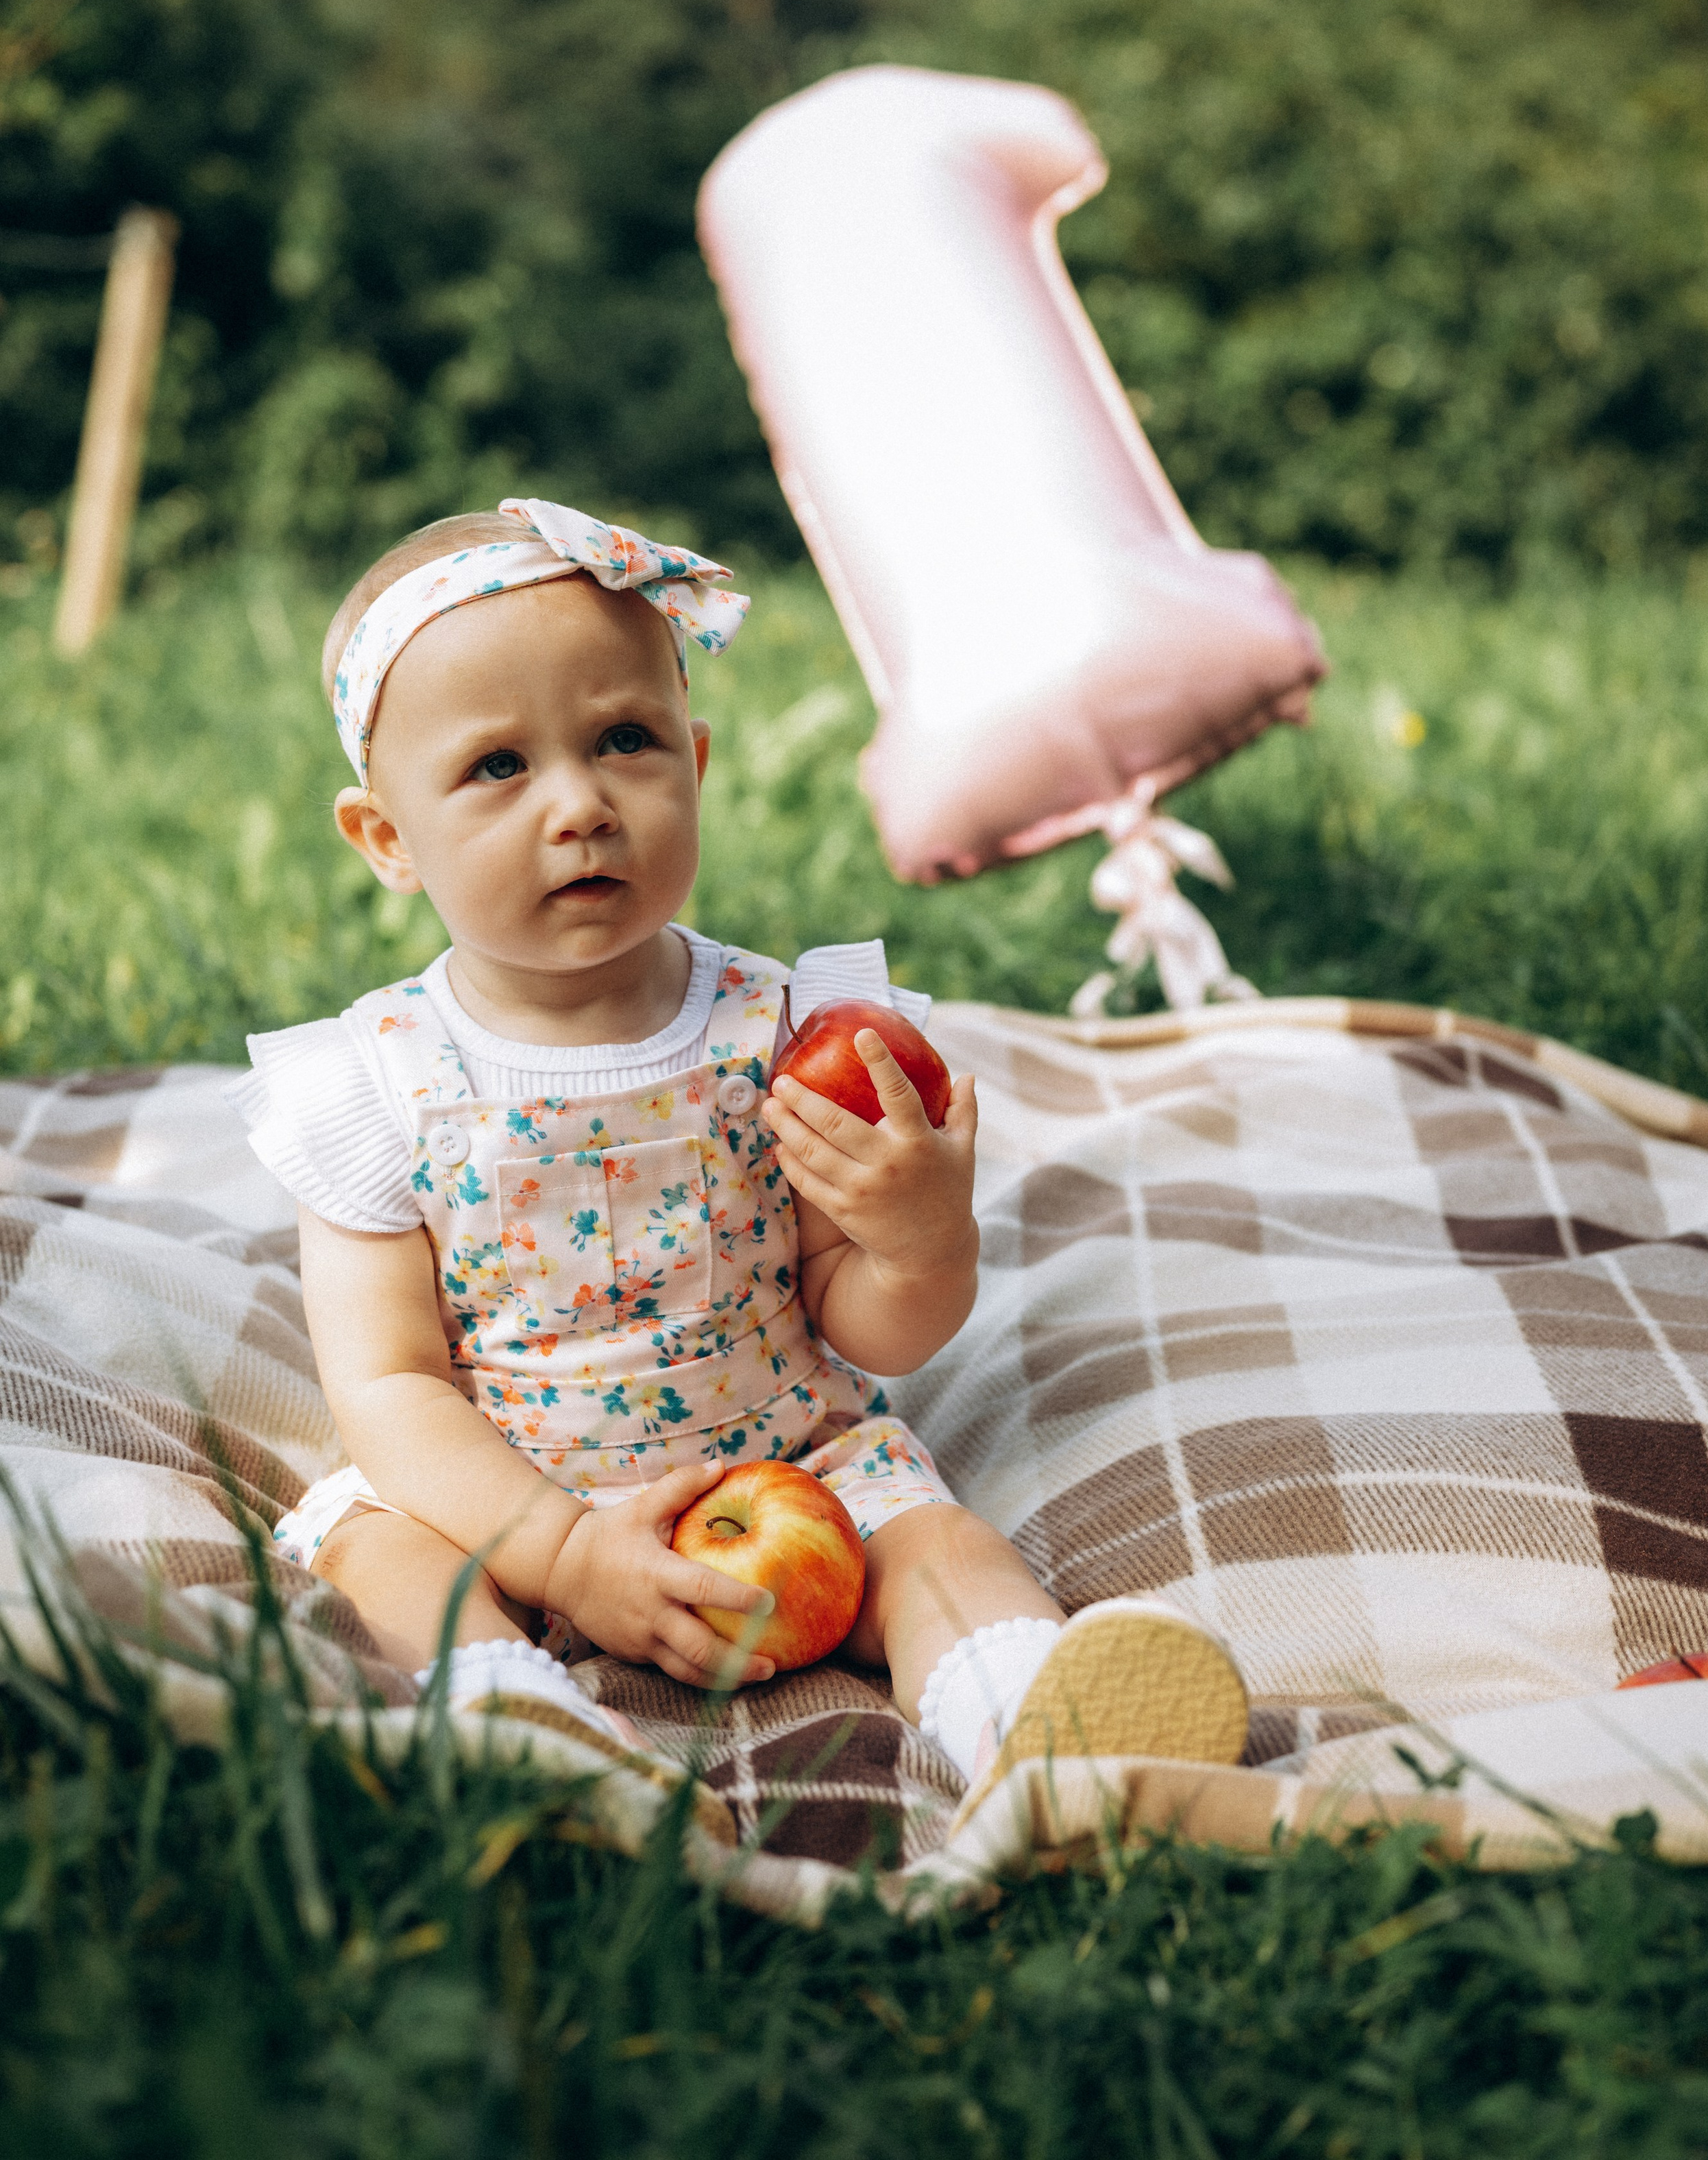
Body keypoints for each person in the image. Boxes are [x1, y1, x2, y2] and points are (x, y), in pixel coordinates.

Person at [236, 498, 1249, 1814]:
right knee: (384, 1550)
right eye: (498, 768)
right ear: (385, 837)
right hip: (505, 1491)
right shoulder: (371, 1083)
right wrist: (559, 1554)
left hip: (786, 1468)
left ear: (696, 763)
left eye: (626, 740)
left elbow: (876, 1333)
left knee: (931, 1540)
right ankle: (518, 1720)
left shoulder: (785, 1030)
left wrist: (922, 1236)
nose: (582, 806)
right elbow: (388, 1387)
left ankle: (1033, 1718)